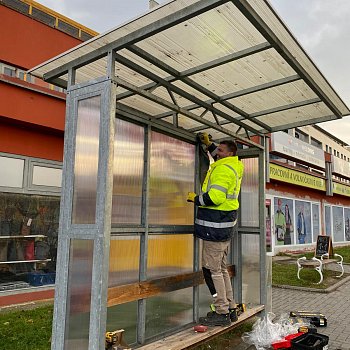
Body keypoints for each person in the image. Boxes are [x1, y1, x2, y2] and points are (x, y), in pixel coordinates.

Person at [187, 132, 244, 327]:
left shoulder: (222, 170)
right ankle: (231, 307)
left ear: (229, 153)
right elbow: (219, 155)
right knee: (221, 268)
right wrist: (209, 145)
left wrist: (194, 199)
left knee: (213, 271)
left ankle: (221, 311)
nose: (216, 152)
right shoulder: (234, 165)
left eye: (220, 150)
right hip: (224, 227)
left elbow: (215, 198)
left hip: (215, 227)